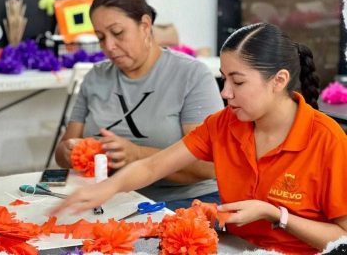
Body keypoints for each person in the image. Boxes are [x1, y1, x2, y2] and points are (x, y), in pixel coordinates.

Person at [53, 22, 347, 254]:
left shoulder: (327, 139)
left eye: (238, 81)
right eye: (224, 78)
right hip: (234, 248)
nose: (225, 92)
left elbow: (342, 238)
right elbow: (154, 166)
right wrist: (107, 188)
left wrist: (274, 214)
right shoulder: (225, 124)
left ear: (279, 80)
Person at [54, 0, 224, 210]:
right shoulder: (95, 78)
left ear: (145, 26)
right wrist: (70, 151)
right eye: (101, 37)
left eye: (117, 33)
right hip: (112, 198)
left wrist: (137, 154)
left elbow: (208, 165)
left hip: (183, 201)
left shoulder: (191, 76)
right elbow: (62, 152)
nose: (109, 46)